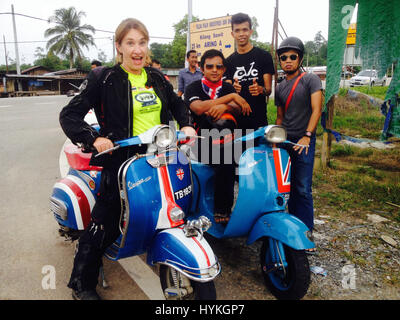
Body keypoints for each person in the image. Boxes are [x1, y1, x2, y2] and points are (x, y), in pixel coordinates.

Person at [59, 18, 196, 300]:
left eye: (142, 43)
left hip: (161, 160)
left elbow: (177, 103)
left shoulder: (156, 77)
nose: (137, 50)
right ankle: (82, 284)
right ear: (119, 46)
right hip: (121, 163)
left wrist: (187, 124)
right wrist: (94, 138)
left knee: (177, 209)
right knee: (106, 223)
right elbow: (69, 115)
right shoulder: (104, 78)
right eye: (130, 43)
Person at [184, 49, 251, 223]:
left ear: (223, 70)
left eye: (219, 66)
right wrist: (230, 97)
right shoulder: (194, 87)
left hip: (228, 140)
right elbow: (198, 108)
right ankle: (222, 210)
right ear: (202, 68)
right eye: (210, 66)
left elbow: (242, 109)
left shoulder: (227, 86)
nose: (215, 70)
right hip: (200, 142)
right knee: (225, 157)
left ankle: (254, 209)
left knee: (254, 158)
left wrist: (226, 108)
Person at [274, 36, 322, 249]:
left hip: (304, 139)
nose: (288, 60)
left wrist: (308, 135)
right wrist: (275, 141)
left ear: (300, 59)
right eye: (284, 57)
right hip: (285, 140)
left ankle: (305, 233)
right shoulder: (280, 86)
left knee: (302, 187)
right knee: (282, 187)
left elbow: (317, 109)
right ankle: (290, 228)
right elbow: (280, 117)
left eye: (293, 56)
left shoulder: (310, 79)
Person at [224, 12, 275, 131]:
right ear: (232, 34)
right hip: (236, 121)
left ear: (251, 31)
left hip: (259, 120)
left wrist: (260, 89)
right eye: (237, 30)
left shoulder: (264, 56)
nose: (241, 34)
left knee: (259, 149)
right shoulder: (228, 62)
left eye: (245, 29)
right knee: (237, 150)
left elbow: (268, 90)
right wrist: (233, 89)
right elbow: (227, 92)